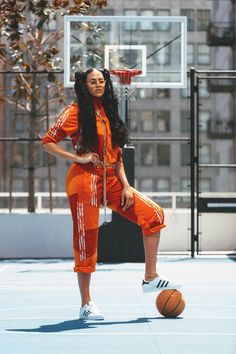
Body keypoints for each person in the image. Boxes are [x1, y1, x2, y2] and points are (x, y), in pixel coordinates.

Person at [42, 68, 182, 321]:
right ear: (83, 85)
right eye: (92, 81)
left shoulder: (109, 112)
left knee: (153, 214)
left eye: (101, 81)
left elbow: (117, 156)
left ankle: (150, 277)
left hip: (111, 180)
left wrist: (126, 185)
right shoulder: (74, 111)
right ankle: (86, 303)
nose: (98, 84)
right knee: (87, 241)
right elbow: (48, 140)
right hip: (84, 180)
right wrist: (77, 157)